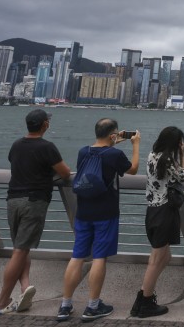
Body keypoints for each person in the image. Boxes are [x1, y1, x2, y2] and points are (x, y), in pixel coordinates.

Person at [58, 118, 140, 323]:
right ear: (113, 135)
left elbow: (98, 159)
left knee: (77, 256)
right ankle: (93, 306)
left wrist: (113, 143)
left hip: (83, 211)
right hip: (106, 212)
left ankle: (65, 305)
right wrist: (135, 145)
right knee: (99, 257)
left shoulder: (83, 151)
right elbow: (133, 169)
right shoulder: (115, 154)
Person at [0, 109, 71, 316]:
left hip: (13, 200)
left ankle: (24, 287)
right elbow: (64, 173)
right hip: (34, 201)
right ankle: (1, 301)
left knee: (21, 247)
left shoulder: (17, 145)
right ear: (45, 125)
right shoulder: (47, 147)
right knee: (19, 251)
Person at [129, 126, 184, 319]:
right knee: (156, 260)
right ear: (176, 143)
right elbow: (183, 176)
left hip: (152, 211)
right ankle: (145, 301)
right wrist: (182, 154)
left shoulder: (151, 156)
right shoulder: (169, 160)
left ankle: (144, 296)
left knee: (165, 257)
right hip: (165, 213)